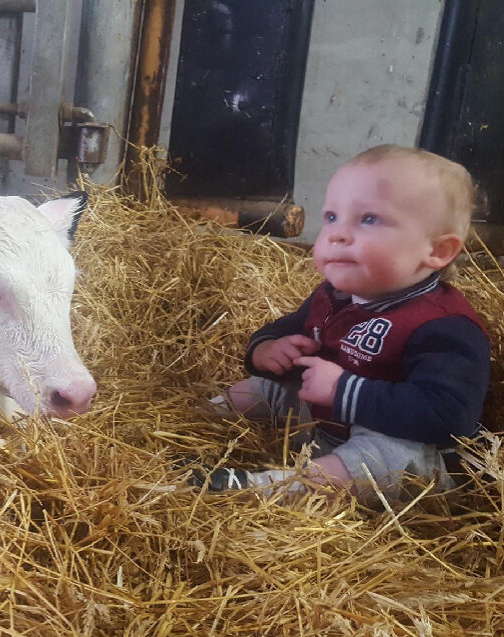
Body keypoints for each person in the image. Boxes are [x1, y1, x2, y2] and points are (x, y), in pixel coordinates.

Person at [186, 145, 490, 501]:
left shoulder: (444, 325)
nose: (337, 234)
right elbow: (290, 327)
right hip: (322, 423)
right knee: (269, 386)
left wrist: (343, 390)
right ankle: (190, 421)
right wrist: (267, 350)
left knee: (382, 458)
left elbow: (448, 416)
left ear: (437, 251)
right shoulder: (335, 294)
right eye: (331, 217)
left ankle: (271, 487)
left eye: (370, 219)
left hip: (394, 447)